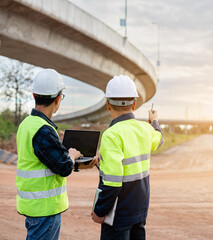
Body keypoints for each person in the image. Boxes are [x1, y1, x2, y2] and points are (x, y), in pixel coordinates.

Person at [16, 68, 97, 240]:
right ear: (58, 98)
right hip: (44, 208)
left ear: (33, 95)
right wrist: (73, 155)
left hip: (34, 206)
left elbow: (46, 161)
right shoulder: (43, 130)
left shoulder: (27, 124)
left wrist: (77, 162)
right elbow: (63, 166)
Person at [91, 75, 164, 240]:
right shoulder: (145, 129)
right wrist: (155, 122)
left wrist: (99, 210)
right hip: (139, 211)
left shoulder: (111, 135)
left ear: (108, 104)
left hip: (118, 215)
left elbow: (112, 182)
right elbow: (159, 139)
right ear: (134, 104)